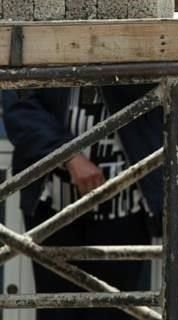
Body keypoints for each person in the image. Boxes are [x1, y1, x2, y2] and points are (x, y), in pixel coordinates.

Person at [2, 85, 163, 320]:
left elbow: (159, 91)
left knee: (118, 311)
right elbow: (18, 105)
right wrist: (69, 154)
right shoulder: (42, 50)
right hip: (54, 207)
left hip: (126, 208)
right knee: (59, 311)